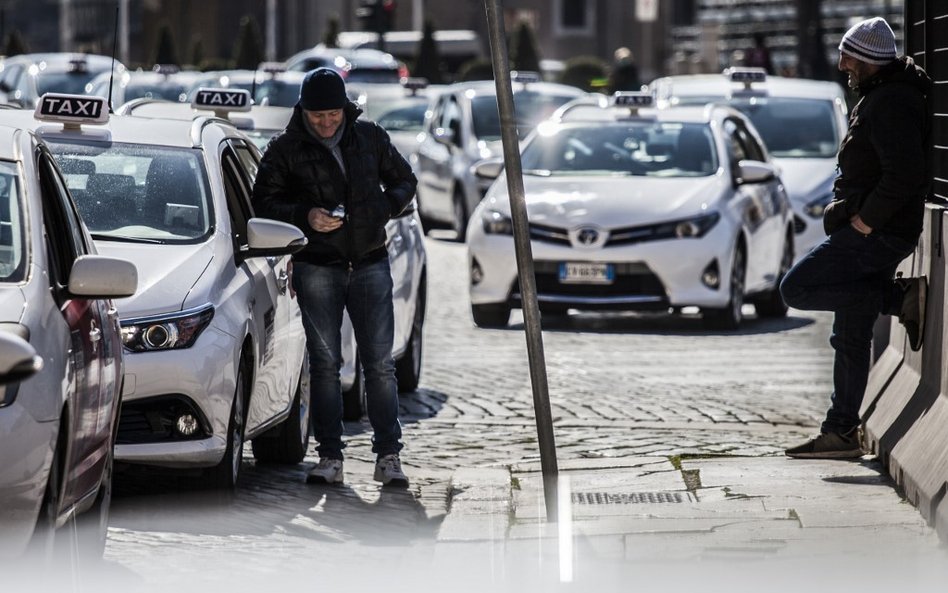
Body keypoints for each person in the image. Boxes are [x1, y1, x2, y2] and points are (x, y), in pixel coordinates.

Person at [252, 67, 417, 486]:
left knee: (379, 364)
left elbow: (405, 182)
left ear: (345, 109)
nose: (326, 123)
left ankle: (388, 456)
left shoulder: (371, 137)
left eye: (333, 114)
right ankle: (330, 457)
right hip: (316, 266)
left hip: (370, 262)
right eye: (317, 116)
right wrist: (306, 217)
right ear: (303, 112)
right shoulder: (285, 148)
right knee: (325, 366)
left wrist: (382, 209)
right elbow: (263, 201)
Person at [780, 17, 931, 459]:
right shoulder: (880, 95)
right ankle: (841, 431)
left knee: (797, 287)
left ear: (866, 60)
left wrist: (865, 221)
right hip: (877, 231)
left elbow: (905, 174)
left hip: (876, 234)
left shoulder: (890, 102)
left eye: (848, 56)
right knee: (849, 335)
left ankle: (897, 298)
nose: (842, 62)